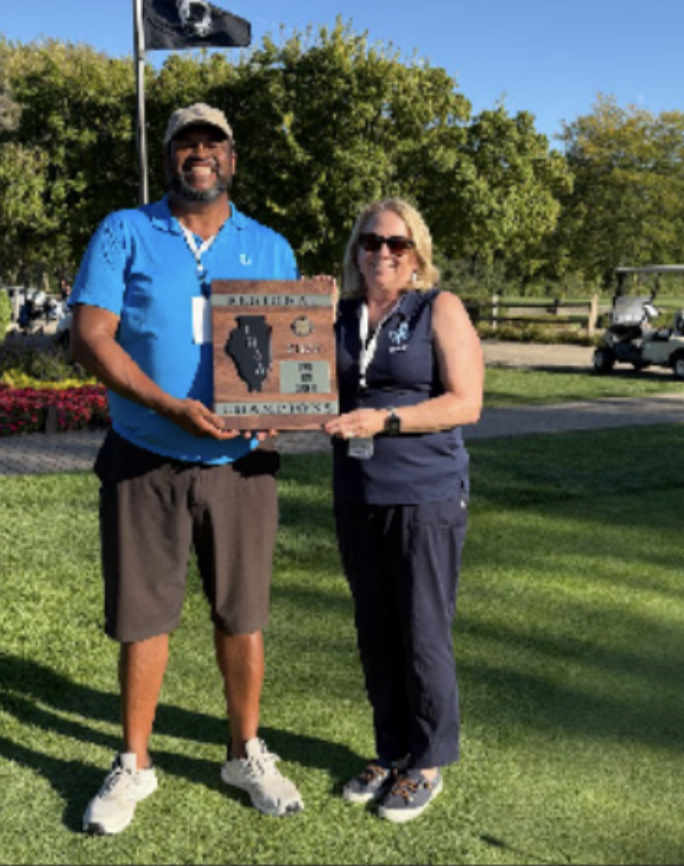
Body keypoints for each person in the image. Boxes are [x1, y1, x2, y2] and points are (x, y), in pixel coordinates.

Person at [70, 102, 304, 836]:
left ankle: (244, 752)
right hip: (146, 453)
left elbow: (294, 353)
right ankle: (134, 763)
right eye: (185, 143)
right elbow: (89, 337)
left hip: (242, 463)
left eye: (214, 143)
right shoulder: (125, 232)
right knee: (143, 618)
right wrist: (169, 404)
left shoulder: (270, 247)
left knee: (243, 613)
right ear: (169, 156)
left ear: (232, 158)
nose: (199, 154)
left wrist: (287, 408)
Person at [323, 197, 484, 824]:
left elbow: (466, 402)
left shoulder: (437, 309)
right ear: (356, 250)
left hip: (426, 493)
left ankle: (428, 760)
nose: (383, 253)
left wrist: (387, 418)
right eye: (371, 242)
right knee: (376, 631)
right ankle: (390, 750)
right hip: (357, 492)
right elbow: (295, 381)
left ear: (417, 255)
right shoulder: (336, 315)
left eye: (397, 244)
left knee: (422, 632)